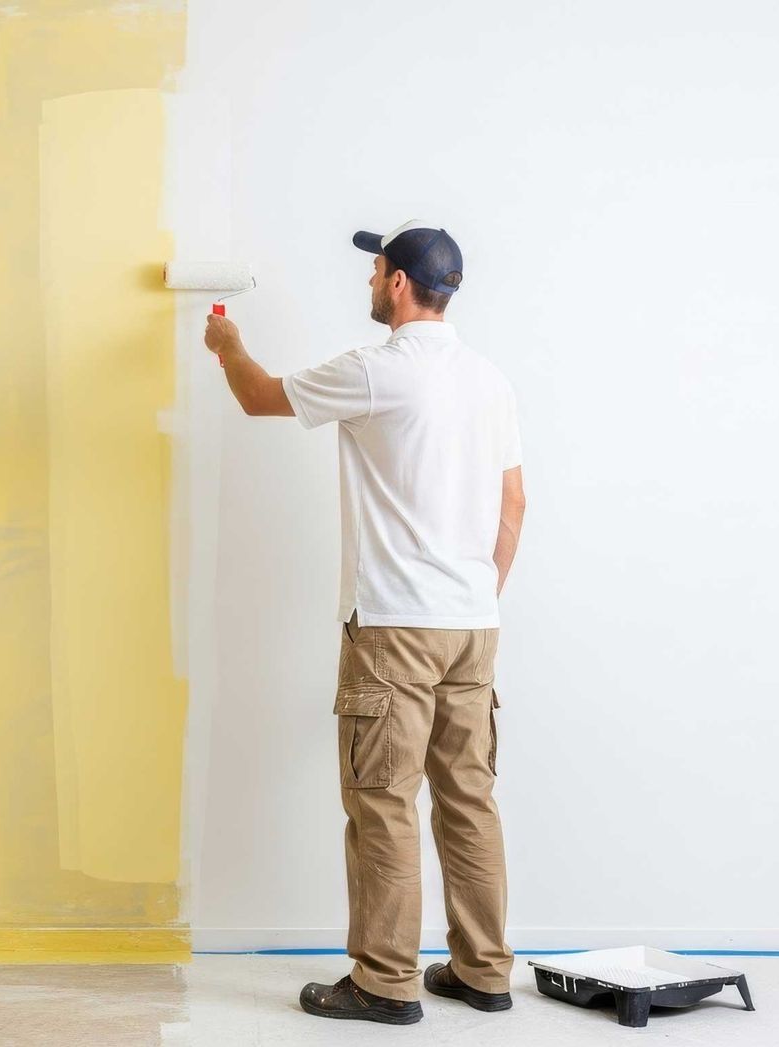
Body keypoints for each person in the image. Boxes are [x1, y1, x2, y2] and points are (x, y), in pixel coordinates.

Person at [202, 221, 526, 1026]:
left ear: (401, 285)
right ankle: (484, 971)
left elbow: (255, 396)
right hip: (472, 626)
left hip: (393, 628)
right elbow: (514, 502)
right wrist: (479, 595)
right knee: (470, 800)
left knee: (383, 801)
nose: (370, 280)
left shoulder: (378, 371)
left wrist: (225, 342)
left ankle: (385, 982)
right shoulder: (489, 380)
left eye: (376, 269)